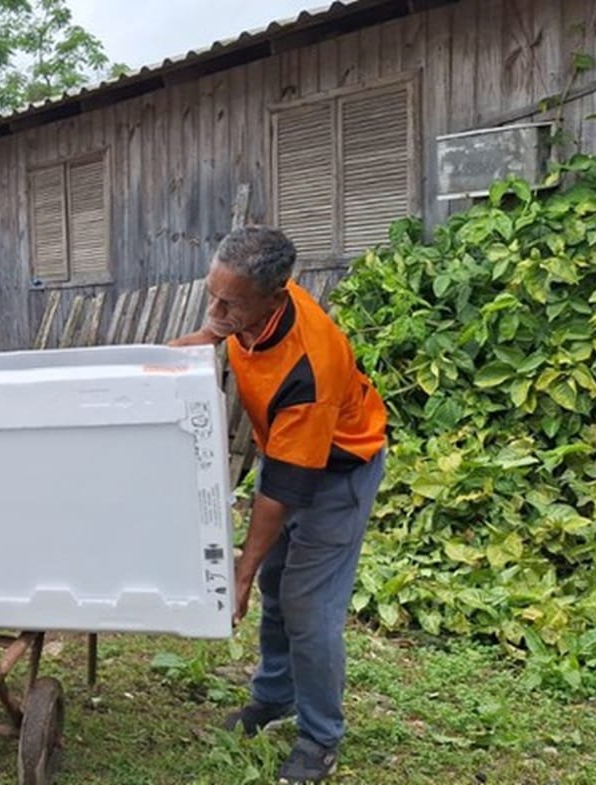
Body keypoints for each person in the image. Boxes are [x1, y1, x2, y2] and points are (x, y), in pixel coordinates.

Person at [170, 226, 388, 783]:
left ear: (275, 296)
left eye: (230, 303)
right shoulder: (253, 308)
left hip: (339, 472)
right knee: (277, 587)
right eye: (211, 293)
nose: (217, 308)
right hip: (289, 454)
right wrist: (209, 335)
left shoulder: (308, 369)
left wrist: (239, 572)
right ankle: (273, 697)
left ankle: (320, 736)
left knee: (307, 606)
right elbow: (228, 323)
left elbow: (284, 492)